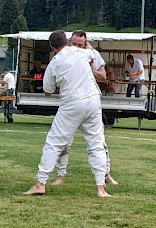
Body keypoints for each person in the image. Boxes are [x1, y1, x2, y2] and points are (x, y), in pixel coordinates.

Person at [24, 30, 110, 197]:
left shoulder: (54, 63)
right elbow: (95, 57)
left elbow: (47, 91)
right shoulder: (83, 52)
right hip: (93, 100)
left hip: (72, 103)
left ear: (51, 46)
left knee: (54, 142)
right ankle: (101, 188)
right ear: (68, 41)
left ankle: (41, 183)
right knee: (96, 144)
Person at [51, 30, 118, 187]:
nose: (76, 46)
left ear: (85, 44)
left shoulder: (92, 54)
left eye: (80, 45)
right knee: (64, 142)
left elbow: (103, 76)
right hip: (69, 103)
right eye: (73, 43)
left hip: (89, 102)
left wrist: (88, 69)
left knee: (99, 142)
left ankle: (105, 174)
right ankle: (60, 175)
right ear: (69, 42)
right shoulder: (62, 55)